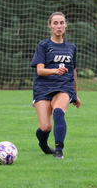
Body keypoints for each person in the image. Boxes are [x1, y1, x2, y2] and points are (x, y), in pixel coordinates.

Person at [31, 12, 81, 159]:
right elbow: (40, 70)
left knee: (59, 112)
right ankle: (44, 145)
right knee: (45, 127)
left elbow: (73, 72)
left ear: (65, 25)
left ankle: (59, 151)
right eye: (55, 23)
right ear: (50, 25)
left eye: (61, 23)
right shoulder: (43, 45)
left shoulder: (71, 47)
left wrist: (76, 94)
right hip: (43, 88)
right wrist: (55, 70)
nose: (59, 26)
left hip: (64, 87)